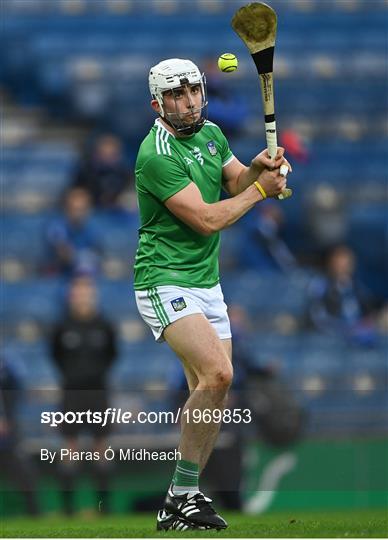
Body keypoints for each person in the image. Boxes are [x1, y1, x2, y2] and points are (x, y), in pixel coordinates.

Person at [133, 58, 292, 531]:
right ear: (157, 104)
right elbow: (205, 218)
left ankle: (181, 498)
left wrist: (258, 171)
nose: (188, 103)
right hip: (163, 279)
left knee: (215, 391)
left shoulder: (212, 134)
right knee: (219, 372)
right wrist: (260, 193)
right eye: (176, 97)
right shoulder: (154, 154)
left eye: (193, 92)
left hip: (207, 283)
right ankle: (182, 495)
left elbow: (236, 180)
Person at [50, 275, 117, 514]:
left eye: (87, 291)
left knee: (101, 448)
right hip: (71, 394)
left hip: (98, 393)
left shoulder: (104, 325)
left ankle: (103, 507)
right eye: (78, 292)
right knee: (70, 447)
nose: (82, 296)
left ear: (93, 295)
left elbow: (113, 354)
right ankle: (68, 508)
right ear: (71, 296)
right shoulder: (62, 325)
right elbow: (55, 355)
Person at [306, 244, 378, 346]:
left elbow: (368, 313)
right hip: (330, 340)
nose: (343, 267)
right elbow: (318, 318)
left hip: (356, 340)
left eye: (347, 263)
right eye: (339, 263)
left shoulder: (358, 288)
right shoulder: (320, 286)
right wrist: (346, 329)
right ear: (331, 263)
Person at [45, 188, 101, 277]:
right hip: (60, 273)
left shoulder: (93, 228)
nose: (78, 214)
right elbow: (63, 252)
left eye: (82, 209)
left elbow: (98, 251)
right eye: (74, 209)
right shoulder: (56, 227)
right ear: (66, 209)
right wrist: (82, 258)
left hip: (85, 274)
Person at [73, 133, 132, 210]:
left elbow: (130, 191)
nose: (107, 159)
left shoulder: (125, 173)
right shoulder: (86, 171)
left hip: (118, 210)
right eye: (104, 154)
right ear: (96, 154)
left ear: (118, 156)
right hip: (92, 209)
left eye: (112, 155)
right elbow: (77, 191)